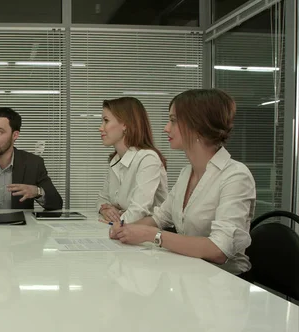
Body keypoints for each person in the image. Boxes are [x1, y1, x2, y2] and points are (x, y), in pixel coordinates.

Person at [109, 89, 256, 275]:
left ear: (198, 125)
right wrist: (125, 228)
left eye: (173, 120)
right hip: (190, 274)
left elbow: (219, 250)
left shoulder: (235, 176)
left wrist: (152, 236)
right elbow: (159, 218)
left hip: (226, 282)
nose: (166, 128)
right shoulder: (187, 173)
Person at [97, 97, 168, 223]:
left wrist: (112, 221)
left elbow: (138, 211)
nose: (100, 128)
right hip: (125, 232)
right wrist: (105, 210)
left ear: (125, 125)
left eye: (106, 121)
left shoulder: (148, 159)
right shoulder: (116, 160)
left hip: (149, 237)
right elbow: (102, 200)